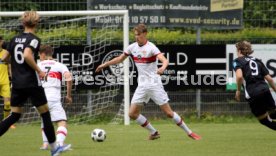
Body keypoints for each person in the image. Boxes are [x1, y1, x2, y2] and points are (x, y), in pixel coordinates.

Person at [96, 24, 201, 140]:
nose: (136, 37)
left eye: (139, 35)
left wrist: (162, 68)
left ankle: (190, 132)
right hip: (142, 85)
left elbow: (164, 60)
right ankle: (154, 132)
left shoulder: (152, 48)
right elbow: (120, 59)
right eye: (135, 35)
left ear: (145, 34)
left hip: (154, 84)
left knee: (169, 113)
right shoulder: (132, 47)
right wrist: (104, 64)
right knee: (132, 114)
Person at [0, 11, 69, 156]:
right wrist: (39, 70)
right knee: (45, 114)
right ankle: (54, 148)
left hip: (17, 84)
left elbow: (5, 57)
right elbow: (26, 54)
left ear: (23, 23)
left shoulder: (14, 39)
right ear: (36, 23)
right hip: (31, 83)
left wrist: (14, 65)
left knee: (14, 115)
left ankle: (54, 147)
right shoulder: (34, 39)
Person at [233, 40, 276, 130]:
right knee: (273, 114)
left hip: (253, 93)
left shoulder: (237, 61)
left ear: (240, 51)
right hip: (265, 90)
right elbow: (270, 79)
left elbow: (239, 77)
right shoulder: (257, 60)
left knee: (263, 120)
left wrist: (238, 90)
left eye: (237, 50)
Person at [38, 44, 72, 150]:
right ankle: (59, 144)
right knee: (62, 122)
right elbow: (69, 78)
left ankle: (45, 144)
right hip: (53, 98)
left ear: (43, 54)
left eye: (39, 55)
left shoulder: (37, 65)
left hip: (39, 98)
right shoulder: (59, 65)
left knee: (45, 120)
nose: (39, 57)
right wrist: (68, 95)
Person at [0, 36, 15, 129]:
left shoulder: (6, 53)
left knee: (8, 103)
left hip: (5, 81)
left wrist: (13, 79)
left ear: (2, 42)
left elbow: (10, 67)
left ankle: (7, 123)